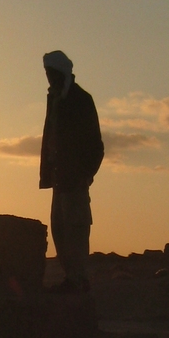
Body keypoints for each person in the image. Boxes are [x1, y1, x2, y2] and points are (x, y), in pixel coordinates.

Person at [39, 50, 104, 294]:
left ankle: (78, 280)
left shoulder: (80, 100)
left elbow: (96, 145)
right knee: (59, 230)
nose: (49, 78)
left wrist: (85, 175)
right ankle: (71, 279)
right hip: (59, 179)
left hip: (74, 180)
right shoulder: (55, 100)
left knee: (75, 230)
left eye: (52, 73)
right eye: (47, 73)